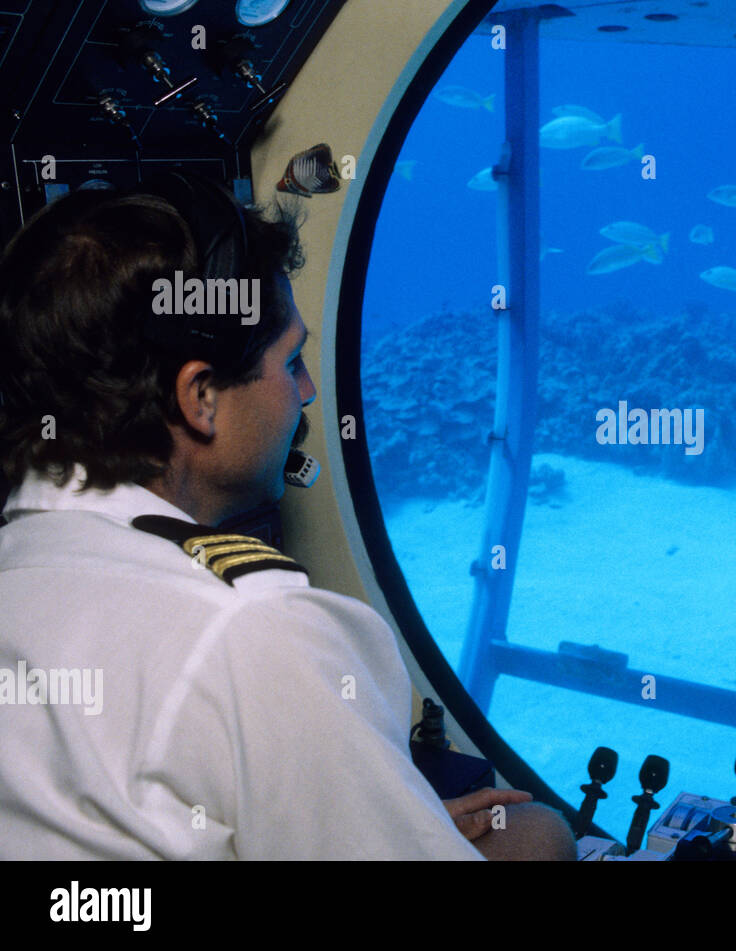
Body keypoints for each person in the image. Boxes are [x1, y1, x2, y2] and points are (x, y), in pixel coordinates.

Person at [0, 174, 575, 860]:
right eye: (291, 359)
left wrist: (393, 817)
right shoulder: (249, 629)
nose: (304, 392)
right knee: (538, 833)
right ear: (201, 395)